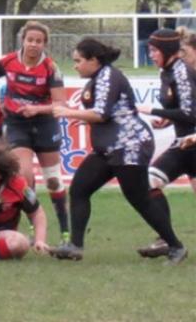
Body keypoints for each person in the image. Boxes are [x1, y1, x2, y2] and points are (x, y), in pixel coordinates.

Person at [50, 37, 187, 264]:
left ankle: (175, 246)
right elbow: (112, 113)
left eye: (78, 61)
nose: (75, 65)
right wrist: (85, 120)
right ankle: (75, 245)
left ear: (93, 60)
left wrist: (69, 113)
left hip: (129, 145)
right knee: (80, 188)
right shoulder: (98, 77)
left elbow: (101, 113)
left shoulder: (108, 76)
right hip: (109, 147)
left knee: (139, 198)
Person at [0, 21, 69, 244]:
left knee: (53, 180)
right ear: (23, 40)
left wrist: (37, 108)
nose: (34, 45)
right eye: (30, 40)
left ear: (45, 44)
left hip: (44, 124)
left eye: (39, 41)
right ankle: (35, 225)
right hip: (17, 123)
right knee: (23, 175)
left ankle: (65, 232)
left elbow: (60, 104)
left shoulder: (51, 68)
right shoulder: (6, 61)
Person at [135, 28, 196, 258]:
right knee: (150, 182)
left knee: (148, 182)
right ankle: (166, 239)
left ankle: (168, 241)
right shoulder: (167, 71)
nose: (150, 54)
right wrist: (167, 118)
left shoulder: (181, 72)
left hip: (192, 143)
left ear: (167, 50)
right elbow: (182, 111)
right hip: (184, 143)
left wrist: (152, 110)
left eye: (154, 50)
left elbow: (190, 114)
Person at [137, 1, 158, 67]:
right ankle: (150, 66)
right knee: (150, 56)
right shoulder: (152, 17)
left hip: (141, 38)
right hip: (150, 38)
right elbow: (156, 28)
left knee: (141, 56)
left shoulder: (138, 17)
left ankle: (141, 67)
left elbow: (137, 27)